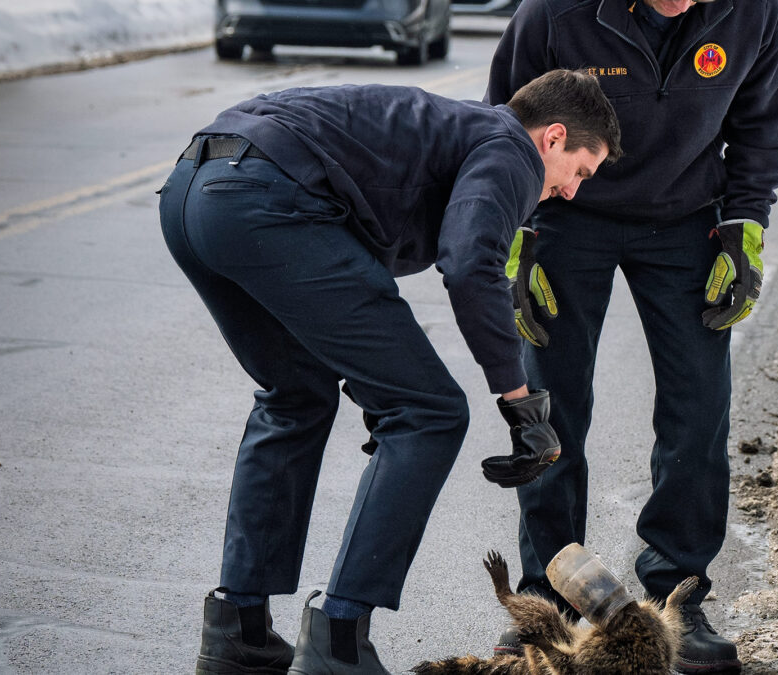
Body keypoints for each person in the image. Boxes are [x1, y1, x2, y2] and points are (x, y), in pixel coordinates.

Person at [158, 69, 622, 675]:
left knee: (294, 397)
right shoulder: (510, 147)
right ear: (553, 138)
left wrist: (384, 387)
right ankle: (339, 642)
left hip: (193, 192)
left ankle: (237, 634)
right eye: (581, 172)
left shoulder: (453, 132)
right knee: (430, 412)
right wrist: (520, 401)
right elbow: (470, 263)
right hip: (265, 199)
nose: (571, 193)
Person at [485, 0, 778, 671]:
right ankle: (549, 596)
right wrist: (514, 235)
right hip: (565, 214)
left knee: (699, 404)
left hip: (687, 216)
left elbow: (761, 125)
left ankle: (677, 594)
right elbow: (504, 123)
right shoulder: (555, 14)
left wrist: (744, 227)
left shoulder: (753, 13)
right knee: (550, 407)